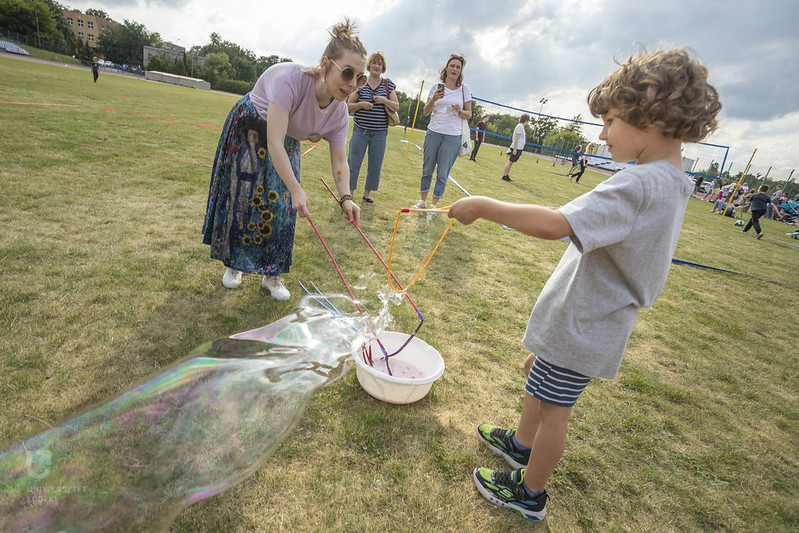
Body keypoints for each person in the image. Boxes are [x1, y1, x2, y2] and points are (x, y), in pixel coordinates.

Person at [447, 47, 720, 521]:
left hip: (585, 321)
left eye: (611, 121)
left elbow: (556, 223)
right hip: (591, 319)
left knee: (555, 409)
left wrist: (485, 205)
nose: (602, 133)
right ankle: (520, 445)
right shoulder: (674, 181)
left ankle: (529, 493)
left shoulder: (638, 186)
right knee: (541, 384)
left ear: (650, 118)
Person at [202, 20, 365, 300]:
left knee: (281, 207)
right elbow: (274, 141)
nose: (352, 84)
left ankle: (272, 274)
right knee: (243, 194)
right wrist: (297, 188)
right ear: (325, 64)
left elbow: (340, 161)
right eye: (347, 73)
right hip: (251, 124)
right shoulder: (291, 81)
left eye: (359, 78)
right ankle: (235, 264)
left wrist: (346, 197)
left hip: (284, 136)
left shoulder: (339, 113)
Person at [411, 54, 472, 209]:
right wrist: (434, 99)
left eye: (458, 67)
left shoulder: (464, 89)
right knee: (427, 168)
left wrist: (460, 111)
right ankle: (422, 201)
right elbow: (425, 112)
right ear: (447, 68)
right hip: (434, 132)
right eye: (452, 65)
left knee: (443, 172)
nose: (455, 69)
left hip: (453, 136)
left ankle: (433, 205)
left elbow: (469, 114)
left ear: (461, 71)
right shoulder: (436, 87)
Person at [347, 50, 399, 205]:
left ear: (383, 67)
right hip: (360, 130)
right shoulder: (361, 81)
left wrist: (384, 100)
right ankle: (349, 193)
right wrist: (362, 104)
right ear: (369, 65)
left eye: (380, 63)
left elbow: (396, 105)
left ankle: (367, 194)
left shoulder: (387, 84)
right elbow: (349, 106)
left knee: (375, 164)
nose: (377, 66)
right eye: (374, 63)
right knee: (354, 162)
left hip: (380, 133)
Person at [501, 114, 530, 182]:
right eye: (528, 121)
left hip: (518, 148)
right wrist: (515, 149)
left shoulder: (521, 127)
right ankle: (504, 175)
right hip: (516, 148)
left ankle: (507, 175)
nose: (528, 123)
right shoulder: (520, 126)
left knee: (511, 162)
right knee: (510, 162)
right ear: (525, 120)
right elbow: (516, 138)